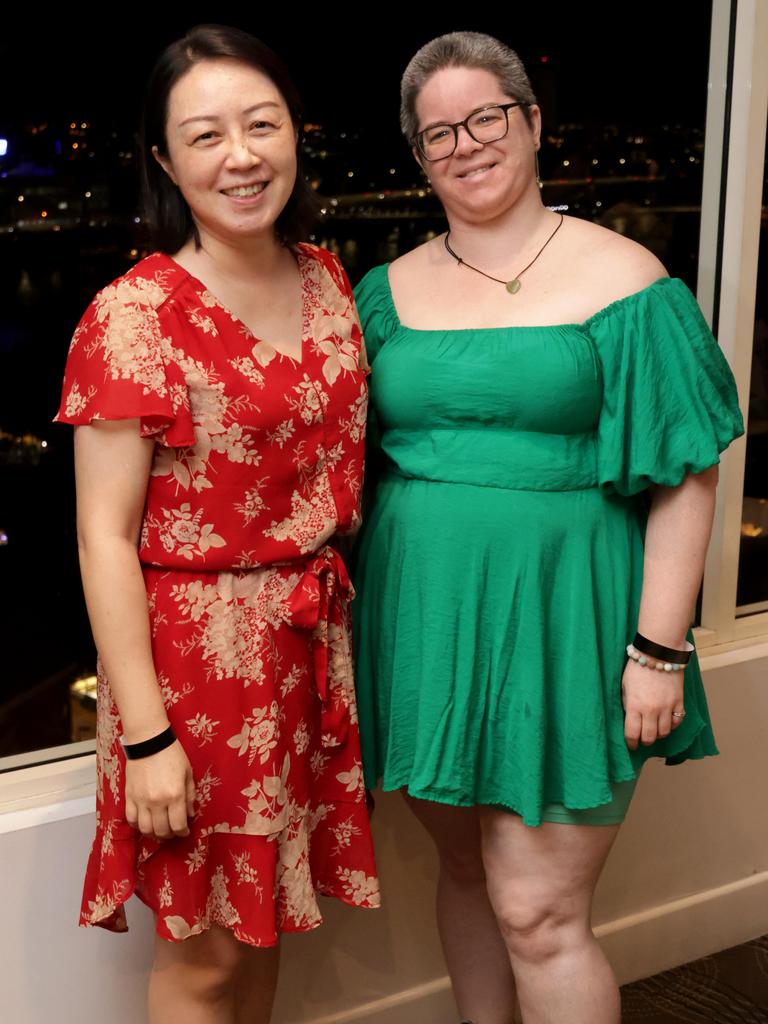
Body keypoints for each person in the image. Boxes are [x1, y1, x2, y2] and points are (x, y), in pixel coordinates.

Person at [351, 31, 743, 1024]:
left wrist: (658, 647)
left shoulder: (628, 280)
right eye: (438, 131)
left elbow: (687, 475)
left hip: (570, 616)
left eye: (487, 116)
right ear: (417, 154)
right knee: (468, 876)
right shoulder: (383, 296)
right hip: (423, 622)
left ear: (531, 123)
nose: (466, 143)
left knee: (540, 907)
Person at [55, 24, 378, 1024]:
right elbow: (102, 537)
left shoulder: (328, 279)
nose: (241, 155)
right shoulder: (135, 313)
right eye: (205, 136)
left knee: (263, 925)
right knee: (201, 956)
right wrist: (148, 737)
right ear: (163, 159)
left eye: (261, 125)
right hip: (195, 671)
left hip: (305, 647)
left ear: (296, 133)